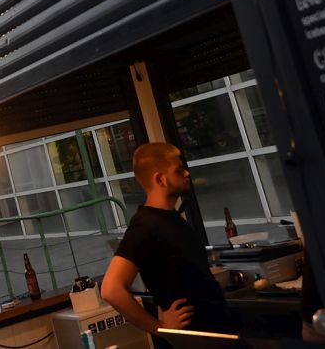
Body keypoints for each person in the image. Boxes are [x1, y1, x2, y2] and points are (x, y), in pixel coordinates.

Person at [102, 142, 240, 342]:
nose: (187, 173)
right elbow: (111, 290)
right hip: (195, 340)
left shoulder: (170, 218)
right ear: (160, 179)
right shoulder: (145, 224)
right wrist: (160, 328)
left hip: (216, 331)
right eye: (179, 170)